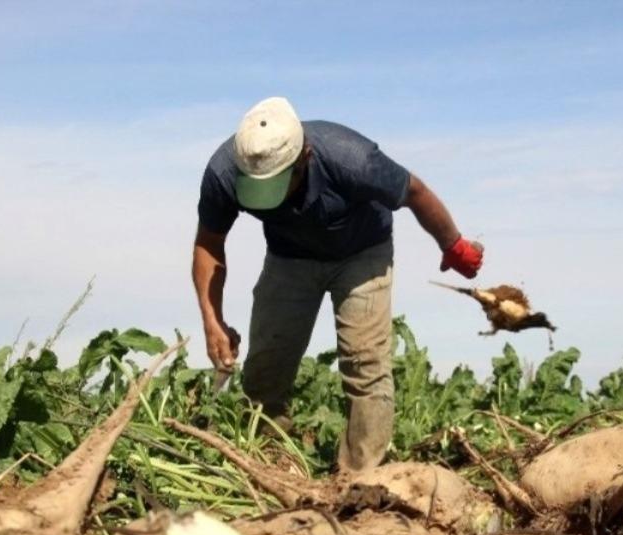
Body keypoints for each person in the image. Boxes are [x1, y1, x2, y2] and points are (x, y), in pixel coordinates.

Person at [191, 97, 484, 471]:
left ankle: (360, 481)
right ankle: (269, 465)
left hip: (363, 253)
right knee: (266, 367)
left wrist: (453, 245)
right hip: (289, 257)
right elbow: (209, 243)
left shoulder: (351, 158)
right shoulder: (225, 172)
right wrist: (211, 319)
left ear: (305, 157)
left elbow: (416, 192)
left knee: (365, 364)